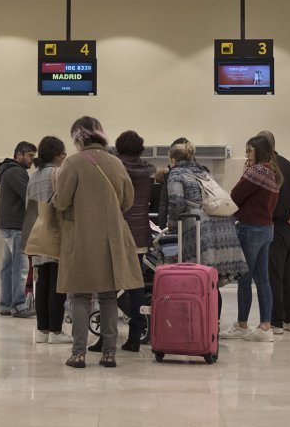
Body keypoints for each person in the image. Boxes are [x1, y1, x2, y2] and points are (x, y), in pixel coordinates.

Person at [53, 116, 143, 369]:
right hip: (112, 239)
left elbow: (61, 202)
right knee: (108, 297)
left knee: (81, 296)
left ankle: (79, 353)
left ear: (78, 138)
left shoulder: (73, 163)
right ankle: (109, 353)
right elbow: (127, 200)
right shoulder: (116, 163)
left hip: (81, 237)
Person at [162, 140, 248, 320]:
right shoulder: (202, 172)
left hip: (199, 229)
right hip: (221, 228)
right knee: (211, 281)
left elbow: (176, 202)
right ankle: (213, 324)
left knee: (195, 277)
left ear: (172, 160)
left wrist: (170, 225)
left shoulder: (176, 173)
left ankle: (196, 323)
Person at [223, 134, 283, 342]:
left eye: (249, 150)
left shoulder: (256, 171)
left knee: (244, 279)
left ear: (259, 151)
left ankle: (242, 325)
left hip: (250, 228)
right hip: (267, 229)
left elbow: (235, 195)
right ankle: (265, 326)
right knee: (263, 279)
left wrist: (246, 172)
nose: (247, 154)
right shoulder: (274, 172)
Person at [105, 130, 155, 351]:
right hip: (141, 234)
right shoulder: (146, 171)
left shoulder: (114, 169)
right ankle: (135, 335)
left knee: (107, 285)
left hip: (118, 233)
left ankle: (106, 336)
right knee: (136, 286)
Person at [258, 130, 290, 336]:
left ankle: (276, 320)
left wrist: (285, 215)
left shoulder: (267, 168)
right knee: (289, 273)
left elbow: (269, 200)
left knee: (273, 274)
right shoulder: (289, 165)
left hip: (275, 227)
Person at [24, 136, 72, 345]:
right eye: (63, 154)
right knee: (57, 284)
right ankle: (56, 330)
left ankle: (42, 330)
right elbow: (62, 202)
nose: (64, 158)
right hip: (55, 232)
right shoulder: (58, 173)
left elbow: (31, 208)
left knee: (42, 282)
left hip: (37, 234)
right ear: (55, 155)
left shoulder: (34, 176)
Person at [0, 140, 37, 318]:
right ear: (18, 155)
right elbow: (29, 196)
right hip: (16, 226)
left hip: (8, 225)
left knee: (8, 267)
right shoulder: (15, 172)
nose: (32, 160)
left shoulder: (8, 171)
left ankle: (5, 304)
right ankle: (19, 305)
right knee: (20, 267)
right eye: (29, 156)